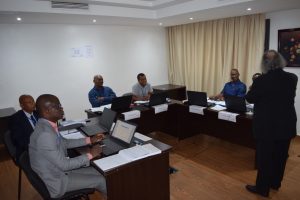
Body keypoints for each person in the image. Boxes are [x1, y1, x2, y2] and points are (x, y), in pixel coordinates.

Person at [29, 94, 107, 198]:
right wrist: (90, 155)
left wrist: (90, 140)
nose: (61, 108)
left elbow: (65, 143)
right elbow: (64, 165)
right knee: (101, 180)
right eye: (57, 106)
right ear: (46, 111)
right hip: (57, 181)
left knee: (98, 171)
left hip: (58, 171)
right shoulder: (45, 135)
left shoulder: (46, 125)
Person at [245, 50, 298, 197]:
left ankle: (262, 189)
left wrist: (252, 88)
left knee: (265, 159)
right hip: (286, 124)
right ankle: (275, 183)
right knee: (281, 157)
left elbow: (249, 98)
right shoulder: (292, 78)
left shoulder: (261, 80)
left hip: (267, 126)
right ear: (280, 61)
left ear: (264, 64)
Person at [10, 94, 39, 161]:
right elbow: (19, 140)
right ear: (22, 105)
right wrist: (35, 148)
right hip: (27, 150)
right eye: (29, 102)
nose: (33, 104)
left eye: (33, 101)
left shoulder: (38, 113)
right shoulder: (15, 119)